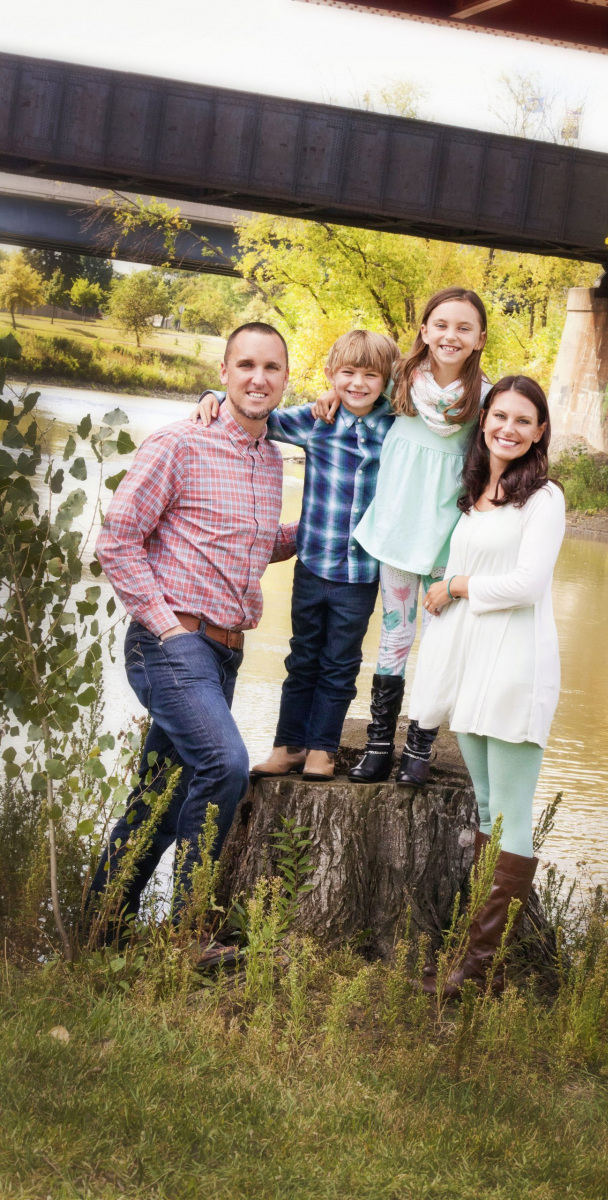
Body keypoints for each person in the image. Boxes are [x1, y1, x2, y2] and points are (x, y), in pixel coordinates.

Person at [90, 322, 297, 942]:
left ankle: (102, 930)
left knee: (164, 795)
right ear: (224, 373)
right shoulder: (179, 443)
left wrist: (318, 532)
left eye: (271, 367)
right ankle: (188, 934)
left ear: (287, 379)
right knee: (225, 764)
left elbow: (249, 543)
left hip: (225, 651)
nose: (258, 378)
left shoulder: (271, 460)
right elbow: (116, 541)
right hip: (173, 643)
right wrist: (167, 631)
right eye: (246, 365)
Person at [407, 375, 566, 998]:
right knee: (483, 810)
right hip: (473, 667)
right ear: (485, 420)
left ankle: (479, 971)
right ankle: (472, 960)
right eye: (500, 416)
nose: (509, 429)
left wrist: (457, 586)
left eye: (523, 421)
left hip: (516, 668)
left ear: (540, 431)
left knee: (509, 815)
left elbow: (527, 585)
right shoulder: (476, 493)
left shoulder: (543, 498)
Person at [195, 330, 399, 781]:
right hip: (311, 566)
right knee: (302, 657)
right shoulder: (315, 420)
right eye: (348, 373)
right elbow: (255, 412)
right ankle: (288, 746)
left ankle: (322, 750)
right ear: (330, 374)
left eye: (371, 376)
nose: (358, 384)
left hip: (361, 574)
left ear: (388, 380)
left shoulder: (397, 427)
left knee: (340, 664)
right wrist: (213, 395)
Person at [315, 287, 492, 787]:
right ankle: (377, 746)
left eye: (463, 328)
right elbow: (357, 386)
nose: (451, 336)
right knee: (394, 634)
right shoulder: (400, 380)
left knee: (438, 643)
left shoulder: (485, 397)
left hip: (448, 540)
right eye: (441, 325)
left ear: (480, 338)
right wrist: (332, 393)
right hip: (397, 531)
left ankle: (419, 748)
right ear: (424, 330)